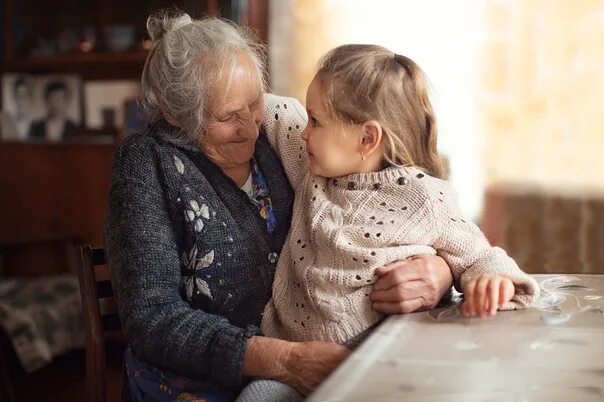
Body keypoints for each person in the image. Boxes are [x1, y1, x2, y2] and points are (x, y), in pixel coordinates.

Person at [105, 12, 454, 402]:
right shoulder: (146, 163)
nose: (251, 128)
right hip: (201, 384)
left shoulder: (284, 134)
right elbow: (151, 320)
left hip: (314, 365)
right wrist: (288, 361)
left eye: (254, 103)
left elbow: (386, 201)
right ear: (175, 114)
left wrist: (438, 269)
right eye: (228, 117)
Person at [238, 44, 540, 401]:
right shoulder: (311, 168)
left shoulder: (424, 198)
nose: (305, 132)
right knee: (256, 397)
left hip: (377, 360)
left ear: (367, 138)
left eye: (316, 121)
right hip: (292, 361)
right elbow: (272, 107)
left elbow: (478, 254)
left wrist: (494, 280)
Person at [0, 76, 34, 141]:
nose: (22, 100)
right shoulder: (5, 120)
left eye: (25, 95)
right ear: (14, 98)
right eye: (18, 95)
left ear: (30, 98)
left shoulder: (36, 125)